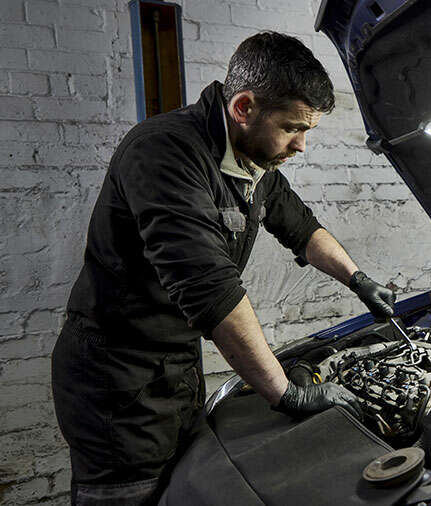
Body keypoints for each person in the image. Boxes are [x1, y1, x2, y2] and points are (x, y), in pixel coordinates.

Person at [51, 31, 395, 505]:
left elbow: (300, 227)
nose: (300, 146)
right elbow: (209, 288)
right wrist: (285, 395)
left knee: (182, 491)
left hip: (174, 368)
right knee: (130, 496)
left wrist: (359, 281)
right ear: (243, 107)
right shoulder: (165, 153)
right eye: (294, 127)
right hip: (117, 382)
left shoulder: (251, 159)